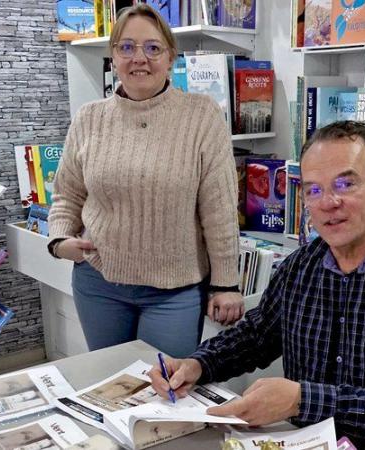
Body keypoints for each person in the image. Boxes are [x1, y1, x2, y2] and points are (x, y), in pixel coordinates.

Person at [149, 121, 365, 448]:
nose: (328, 203)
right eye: (314, 190)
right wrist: (198, 364)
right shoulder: (300, 266)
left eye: (345, 184)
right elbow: (257, 335)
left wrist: (300, 401)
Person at [47, 4, 243, 358]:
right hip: (99, 284)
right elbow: (67, 194)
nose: (140, 58)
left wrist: (226, 283)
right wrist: (60, 239)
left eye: (153, 48)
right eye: (127, 47)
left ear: (171, 57)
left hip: (175, 291)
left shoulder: (201, 115)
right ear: (113, 57)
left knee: (166, 393)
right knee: (112, 390)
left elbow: (220, 208)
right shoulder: (89, 119)